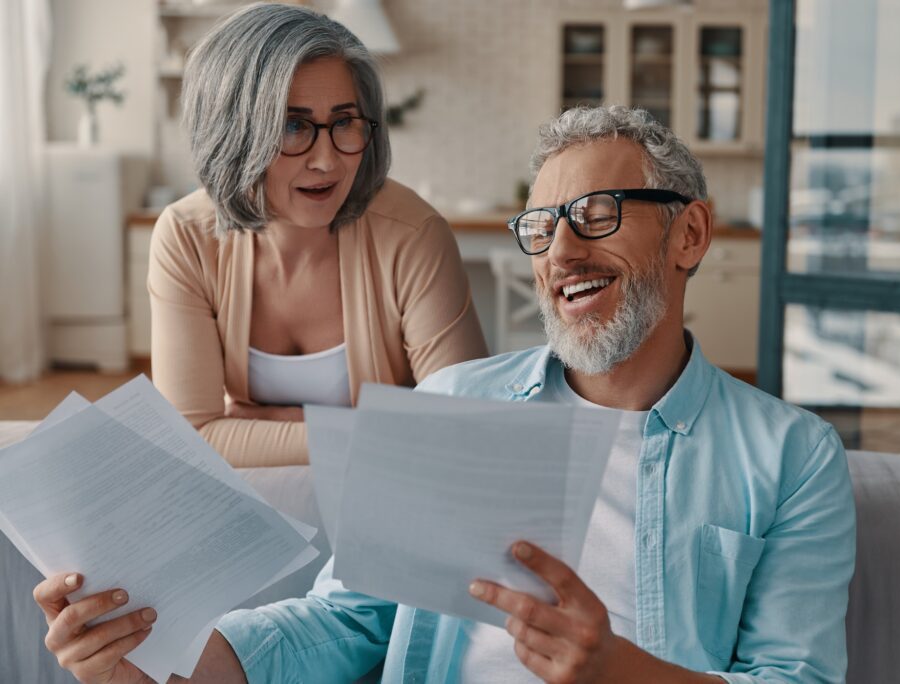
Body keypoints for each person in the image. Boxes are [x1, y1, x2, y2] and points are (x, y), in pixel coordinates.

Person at [34, 106, 855, 683]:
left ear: (690, 234)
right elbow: (343, 621)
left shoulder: (790, 456)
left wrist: (619, 674)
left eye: (595, 214)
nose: (560, 250)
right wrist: (151, 662)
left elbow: (798, 679)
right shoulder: (457, 403)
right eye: (539, 228)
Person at [147, 3, 487, 467]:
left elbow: (462, 431)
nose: (327, 161)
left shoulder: (413, 234)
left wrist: (264, 427)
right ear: (233, 133)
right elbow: (190, 438)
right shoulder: (187, 236)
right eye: (293, 126)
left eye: (344, 122)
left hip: (388, 495)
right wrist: (369, 428)